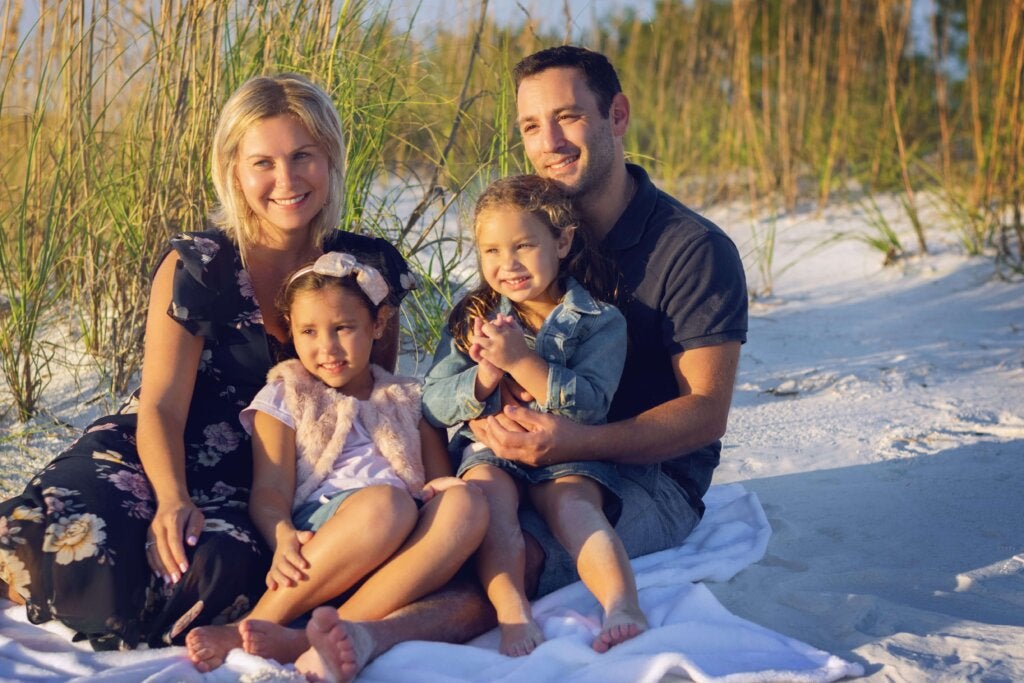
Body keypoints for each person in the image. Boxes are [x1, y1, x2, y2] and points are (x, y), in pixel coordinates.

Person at [204, 44, 748, 680]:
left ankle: (362, 635)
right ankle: (312, 623)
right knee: (455, 526)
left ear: (617, 115)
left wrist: (576, 439)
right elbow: (438, 395)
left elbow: (705, 415)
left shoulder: (691, 250)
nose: (550, 141)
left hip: (638, 477)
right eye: (531, 125)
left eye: (569, 117)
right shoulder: (512, 258)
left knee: (508, 562)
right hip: (505, 461)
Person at [0, 73, 420, 650]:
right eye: (263, 163)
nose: (286, 180)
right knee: (82, 536)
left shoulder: (366, 268)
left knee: (212, 574)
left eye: (304, 156)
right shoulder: (200, 266)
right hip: (157, 455)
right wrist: (172, 499)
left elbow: (371, 395)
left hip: (268, 484)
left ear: (331, 158)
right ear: (234, 170)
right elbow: (162, 406)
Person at [186, 253, 487, 673]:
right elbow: (270, 490)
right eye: (309, 331)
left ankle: (326, 635)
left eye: (343, 328)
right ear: (291, 331)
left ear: (377, 325)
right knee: (387, 505)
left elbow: (435, 482)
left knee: (468, 505)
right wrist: (282, 537)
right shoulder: (288, 393)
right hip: (334, 536)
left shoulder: (407, 398)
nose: (326, 347)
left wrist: (456, 491)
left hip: (405, 547)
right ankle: (254, 623)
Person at [422, 175, 644, 656]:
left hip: (567, 451)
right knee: (491, 505)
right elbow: (433, 403)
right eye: (492, 252)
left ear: (562, 241)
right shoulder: (471, 317)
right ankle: (513, 612)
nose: (508, 265)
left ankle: (623, 604)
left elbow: (592, 403)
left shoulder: (601, 321)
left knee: (575, 508)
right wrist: (481, 378)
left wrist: (522, 361)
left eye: (523, 245)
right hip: (491, 448)